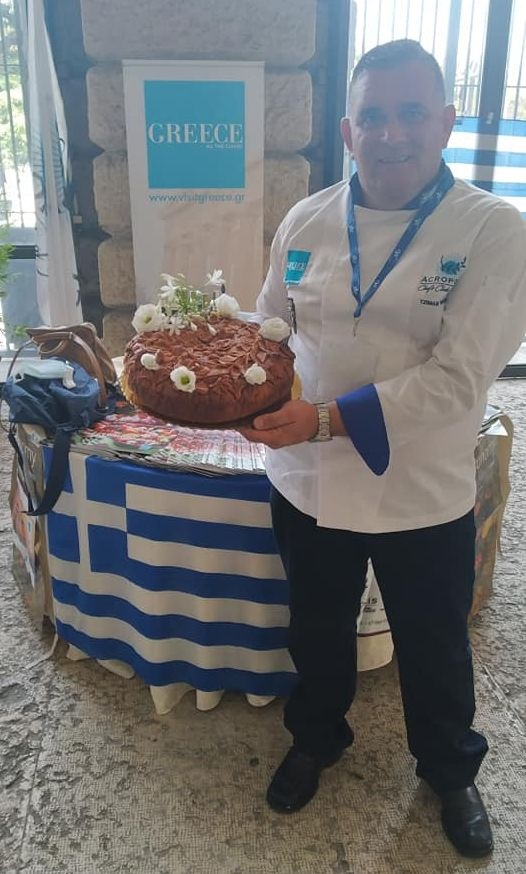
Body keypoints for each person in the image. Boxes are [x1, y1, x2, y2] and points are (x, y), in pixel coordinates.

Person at [239, 38, 526, 858]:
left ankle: (450, 768)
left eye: (411, 113)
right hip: (308, 479)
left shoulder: (494, 229)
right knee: (316, 625)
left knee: (434, 639)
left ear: (445, 122)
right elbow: (272, 327)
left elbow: (459, 379)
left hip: (419, 484)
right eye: (373, 116)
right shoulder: (306, 217)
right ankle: (316, 737)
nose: (391, 133)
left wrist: (322, 419)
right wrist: (226, 372)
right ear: (348, 129)